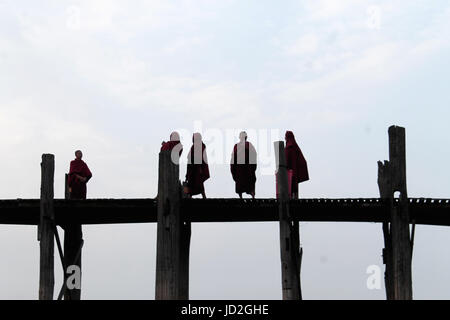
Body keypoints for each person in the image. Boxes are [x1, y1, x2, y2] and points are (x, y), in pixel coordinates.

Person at [230, 131, 257, 199]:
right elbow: (234, 156)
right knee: (242, 182)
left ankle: (250, 195)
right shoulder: (238, 146)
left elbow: (254, 155)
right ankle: (245, 196)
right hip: (242, 168)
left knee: (248, 181)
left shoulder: (248, 145)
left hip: (246, 167)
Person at [285, 131, 309, 199]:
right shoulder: (295, 146)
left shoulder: (288, 147)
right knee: (295, 187)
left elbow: (285, 160)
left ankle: (291, 198)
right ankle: (295, 198)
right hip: (295, 172)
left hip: (289, 172)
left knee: (290, 187)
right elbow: (303, 161)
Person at [185, 133, 209, 198]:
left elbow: (201, 157)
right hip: (192, 167)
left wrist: (201, 168)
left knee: (199, 183)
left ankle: (204, 196)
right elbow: (190, 157)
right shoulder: (193, 147)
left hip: (197, 168)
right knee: (191, 183)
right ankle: (190, 196)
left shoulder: (201, 146)